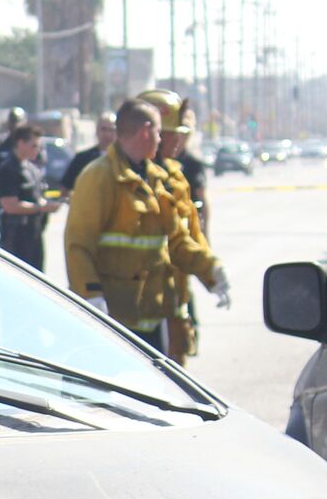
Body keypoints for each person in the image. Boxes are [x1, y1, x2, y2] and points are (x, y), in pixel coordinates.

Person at [64, 96, 191, 354]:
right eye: (158, 132)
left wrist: (212, 270)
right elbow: (78, 245)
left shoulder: (157, 179)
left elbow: (175, 238)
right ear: (145, 131)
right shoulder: (98, 177)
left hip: (151, 316)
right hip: (113, 319)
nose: (160, 140)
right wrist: (92, 296)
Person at [139, 89, 230, 363]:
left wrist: (209, 269)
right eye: (171, 133)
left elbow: (182, 238)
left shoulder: (176, 177)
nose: (180, 139)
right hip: (132, 309)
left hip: (171, 299)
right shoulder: (112, 178)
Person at [0, 122, 62, 271]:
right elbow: (10, 205)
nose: (37, 150)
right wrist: (41, 207)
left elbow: (36, 198)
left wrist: (51, 204)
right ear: (20, 143)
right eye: (34, 145)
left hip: (34, 236)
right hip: (16, 239)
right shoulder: (7, 169)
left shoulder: (32, 170)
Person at [61, 112, 116, 194]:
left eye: (111, 130)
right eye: (103, 129)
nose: (107, 134)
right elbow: (65, 188)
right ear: (97, 131)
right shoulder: (82, 158)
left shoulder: (124, 159)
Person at [0, 105, 28, 177]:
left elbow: (39, 165)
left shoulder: (31, 144)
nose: (15, 126)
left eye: (18, 122)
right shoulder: (0, 144)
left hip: (26, 181)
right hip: (6, 183)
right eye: (12, 122)